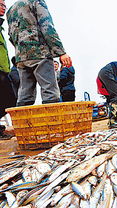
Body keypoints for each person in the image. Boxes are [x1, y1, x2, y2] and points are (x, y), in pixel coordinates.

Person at [7, 0, 72, 106]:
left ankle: (24, 122)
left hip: (21, 57)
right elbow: (47, 26)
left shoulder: (11, 10)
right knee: (50, 92)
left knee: (25, 94)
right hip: (40, 53)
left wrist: (22, 51)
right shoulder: (36, 1)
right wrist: (61, 52)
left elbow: (11, 35)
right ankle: (51, 121)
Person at [0, 0, 16, 139]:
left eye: (4, 5)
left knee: (10, 100)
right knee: (9, 99)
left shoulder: (1, 27)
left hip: (4, 70)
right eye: (0, 5)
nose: (3, 8)